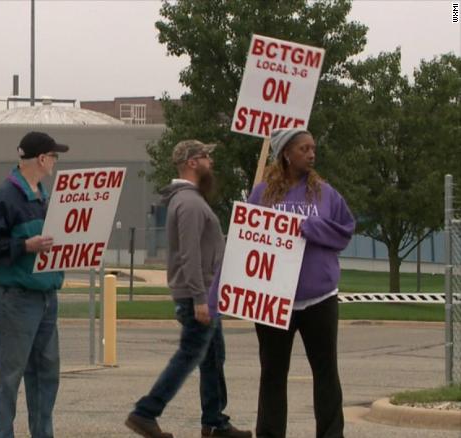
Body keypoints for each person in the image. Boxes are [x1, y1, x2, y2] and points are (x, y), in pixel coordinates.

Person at [125, 140, 251, 438]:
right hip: (200, 294)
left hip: (206, 293)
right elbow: (190, 254)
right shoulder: (190, 203)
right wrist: (200, 297)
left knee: (212, 358)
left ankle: (215, 422)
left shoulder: (189, 199)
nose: (211, 163)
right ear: (192, 163)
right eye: (206, 157)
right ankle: (146, 412)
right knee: (189, 356)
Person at [244, 128, 355, 438]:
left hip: (319, 298)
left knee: (326, 373)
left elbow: (345, 231)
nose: (311, 154)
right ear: (286, 154)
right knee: (273, 375)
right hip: (273, 301)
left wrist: (309, 227)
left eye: (313, 148)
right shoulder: (262, 194)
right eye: (304, 149)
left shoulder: (325, 193)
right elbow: (246, 242)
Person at [0, 131, 70, 438]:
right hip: (17, 298)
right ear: (42, 159)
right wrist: (25, 247)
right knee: (9, 376)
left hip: (45, 297)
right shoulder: (5, 196)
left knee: (45, 376)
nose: (55, 161)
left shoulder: (43, 196)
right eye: (54, 156)